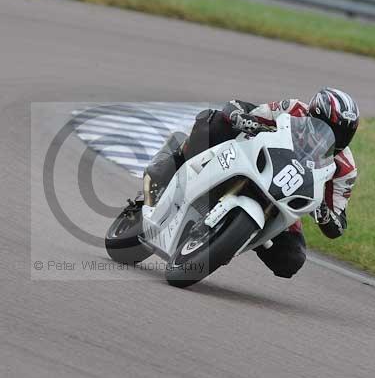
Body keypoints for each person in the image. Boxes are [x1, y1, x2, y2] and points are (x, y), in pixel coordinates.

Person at [144, 88, 359, 278]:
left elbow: (337, 224)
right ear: (312, 115)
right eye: (329, 128)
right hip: (253, 160)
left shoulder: (345, 169)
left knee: (292, 259)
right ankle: (171, 163)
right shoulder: (294, 109)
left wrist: (324, 213)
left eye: (343, 134)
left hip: (283, 200)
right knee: (215, 121)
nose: (334, 137)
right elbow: (242, 108)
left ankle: (237, 236)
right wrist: (242, 118)